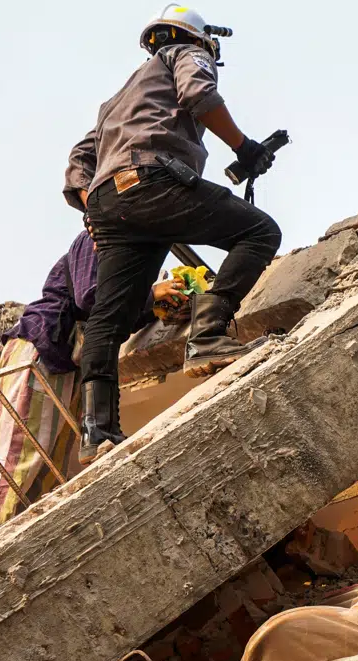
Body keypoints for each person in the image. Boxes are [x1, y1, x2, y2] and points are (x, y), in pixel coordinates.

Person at [63, 4, 282, 464]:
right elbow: (201, 95)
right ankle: (207, 335)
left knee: (109, 317)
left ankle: (98, 432)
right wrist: (247, 148)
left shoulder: (114, 102)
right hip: (153, 180)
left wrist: (100, 212)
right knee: (260, 232)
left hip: (109, 203)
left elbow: (79, 162)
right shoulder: (185, 53)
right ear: (201, 40)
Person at [0, 232, 188, 540]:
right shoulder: (101, 237)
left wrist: (152, 310)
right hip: (42, 349)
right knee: (19, 454)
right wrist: (151, 294)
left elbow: (110, 315)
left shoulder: (130, 256)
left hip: (68, 362)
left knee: (49, 467)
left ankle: (14, 541)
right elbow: (90, 296)